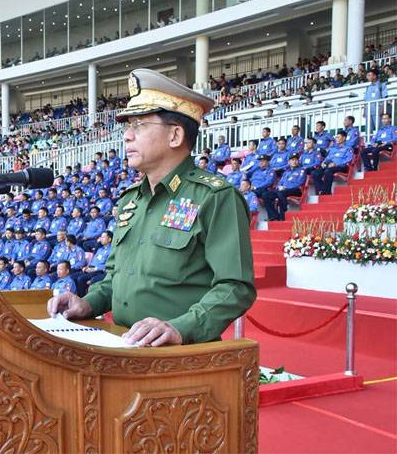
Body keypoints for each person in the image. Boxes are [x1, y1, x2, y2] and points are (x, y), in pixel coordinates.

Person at [47, 68, 255, 346]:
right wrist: (88, 303)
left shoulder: (214, 197)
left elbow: (236, 287)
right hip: (121, 344)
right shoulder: (130, 199)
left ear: (175, 136)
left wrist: (181, 327)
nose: (127, 137)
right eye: (127, 126)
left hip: (178, 357)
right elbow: (115, 278)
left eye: (139, 125)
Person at [263, 153, 306, 221]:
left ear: (298, 161)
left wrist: (285, 187)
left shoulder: (301, 171)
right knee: (266, 195)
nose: (294, 161)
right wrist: (279, 187)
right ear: (289, 162)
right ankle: (274, 215)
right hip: (283, 191)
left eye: (296, 160)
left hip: (296, 190)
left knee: (281, 193)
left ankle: (285, 213)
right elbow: (280, 182)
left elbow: (299, 182)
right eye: (292, 160)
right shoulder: (286, 172)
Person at [311, 130, 353, 195]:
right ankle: (320, 191)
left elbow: (348, 160)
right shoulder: (333, 149)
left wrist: (336, 164)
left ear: (344, 138)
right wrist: (323, 162)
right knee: (315, 173)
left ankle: (326, 192)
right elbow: (328, 158)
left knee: (328, 171)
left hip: (341, 166)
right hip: (330, 165)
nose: (336, 139)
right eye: (336, 137)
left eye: (338, 137)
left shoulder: (348, 148)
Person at [74, 231, 112, 297]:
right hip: (90, 269)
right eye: (101, 237)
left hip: (99, 271)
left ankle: (83, 298)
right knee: (73, 277)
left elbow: (109, 264)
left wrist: (95, 269)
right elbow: (93, 260)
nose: (101, 239)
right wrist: (87, 267)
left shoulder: (111, 250)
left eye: (103, 237)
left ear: (109, 239)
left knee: (80, 279)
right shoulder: (100, 249)